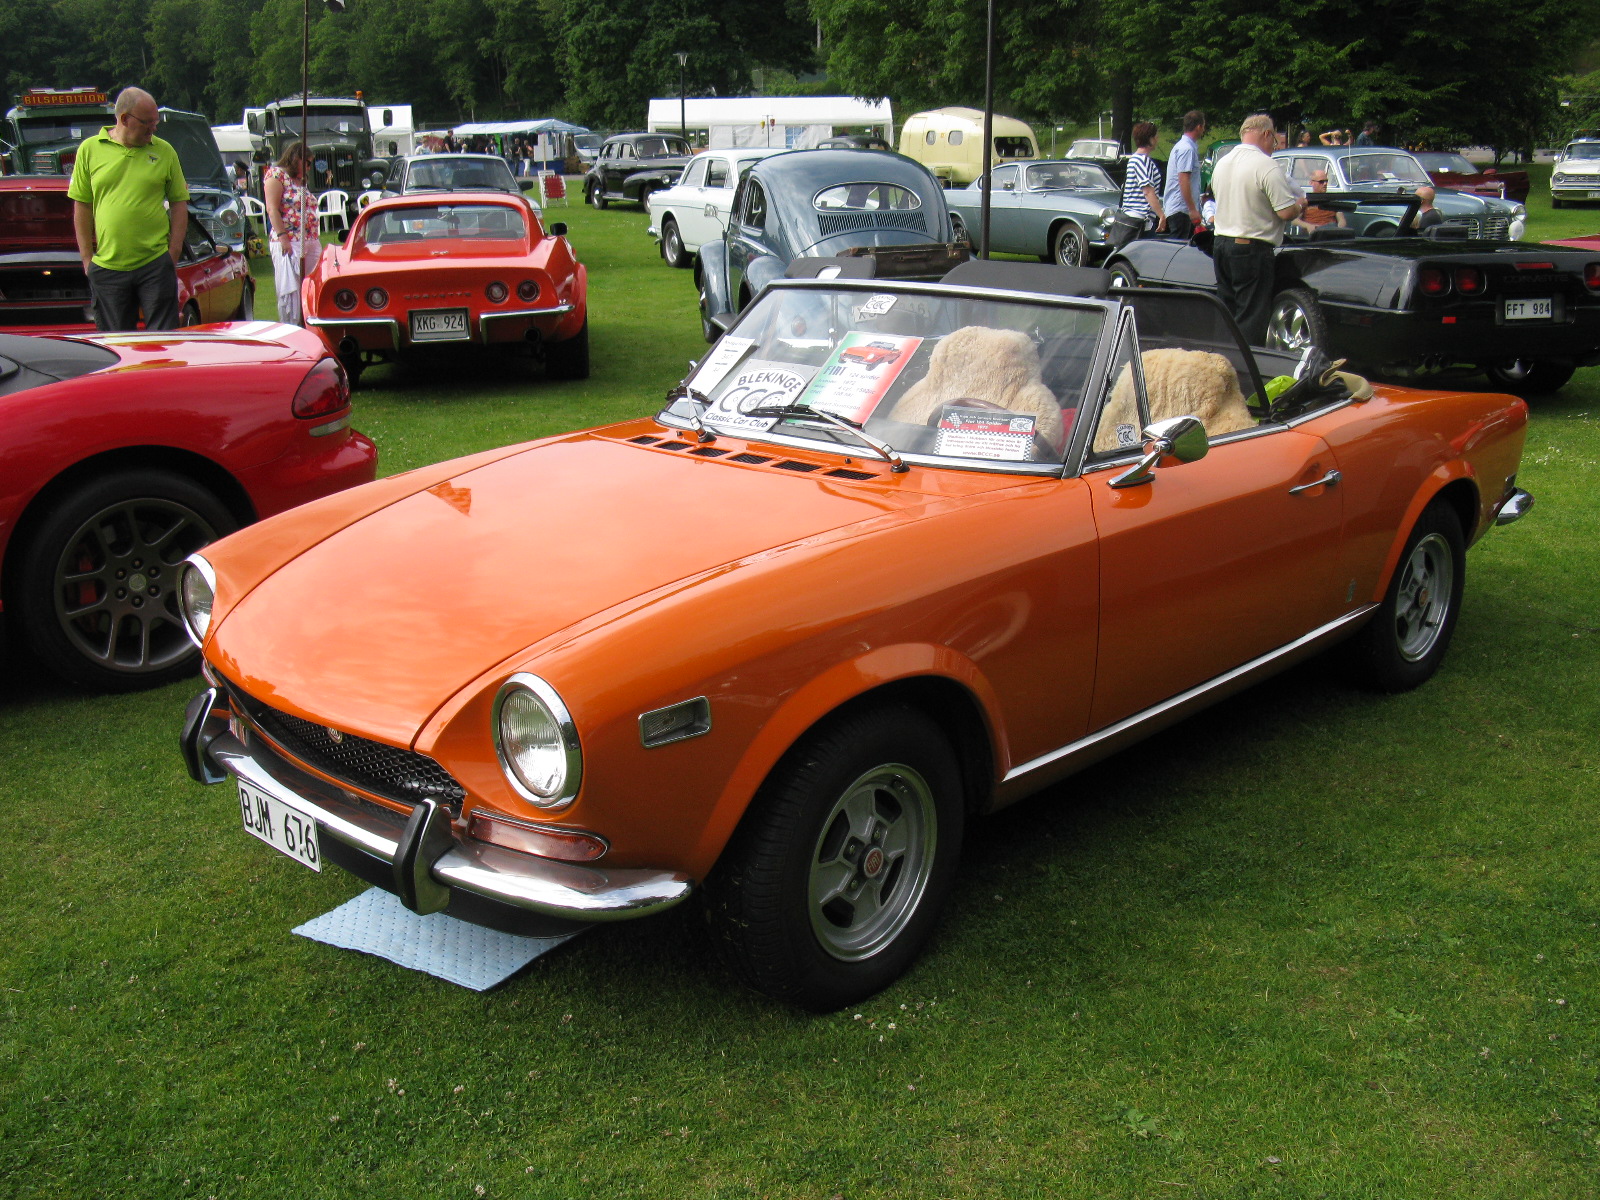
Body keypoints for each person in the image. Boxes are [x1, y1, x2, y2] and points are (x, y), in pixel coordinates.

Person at [67, 86, 188, 332]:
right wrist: (87, 259)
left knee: (163, 342)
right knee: (117, 344)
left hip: (155, 263)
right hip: (108, 267)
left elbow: (179, 203)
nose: (153, 128)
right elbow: (82, 206)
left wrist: (172, 253)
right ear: (124, 119)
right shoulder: (90, 149)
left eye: (156, 122)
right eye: (147, 122)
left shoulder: (164, 151)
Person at [1211, 112, 1302, 344]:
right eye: (1274, 140)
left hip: (1221, 243)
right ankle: (1248, 369)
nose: (1274, 146)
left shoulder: (1222, 163)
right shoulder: (1266, 166)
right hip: (1250, 246)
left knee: (1229, 312)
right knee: (1252, 315)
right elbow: (1285, 212)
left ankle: (1225, 359)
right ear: (1266, 134)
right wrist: (1300, 205)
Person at [263, 140, 321, 326]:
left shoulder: (301, 181)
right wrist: (283, 237)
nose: (309, 168)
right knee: (291, 289)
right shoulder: (277, 175)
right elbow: (272, 209)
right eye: (307, 163)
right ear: (296, 158)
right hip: (290, 239)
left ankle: (310, 321)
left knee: (312, 283)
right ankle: (291, 324)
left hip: (309, 239)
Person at [1162, 109, 1206, 239]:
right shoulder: (1186, 149)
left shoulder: (1184, 146)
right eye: (1203, 126)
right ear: (1198, 127)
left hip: (1182, 209)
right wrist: (1192, 209)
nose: (1203, 130)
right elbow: (1183, 180)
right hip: (1181, 210)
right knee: (1178, 252)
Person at [1121, 121, 1166, 236]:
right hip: (1140, 219)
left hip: (1134, 217)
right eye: (1155, 136)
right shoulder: (1142, 161)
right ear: (1149, 139)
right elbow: (1148, 191)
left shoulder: (1134, 159)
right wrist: (1161, 215)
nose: (1157, 139)